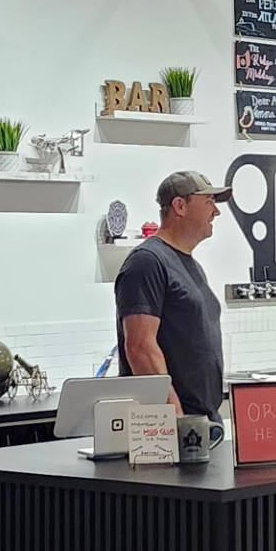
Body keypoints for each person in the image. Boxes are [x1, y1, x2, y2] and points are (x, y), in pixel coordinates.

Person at [115, 170, 231, 422]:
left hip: (201, 420)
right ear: (180, 205)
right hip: (174, 425)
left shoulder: (191, 265)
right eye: (209, 202)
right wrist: (173, 415)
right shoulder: (147, 262)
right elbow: (139, 347)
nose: (216, 212)